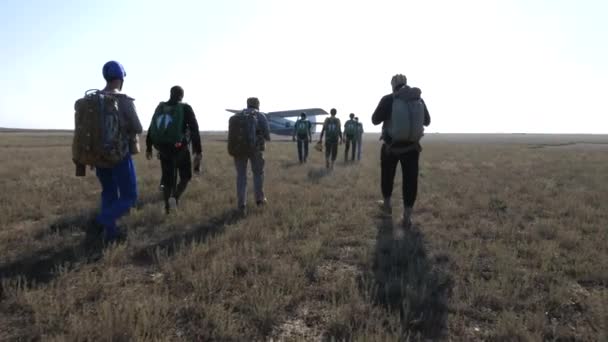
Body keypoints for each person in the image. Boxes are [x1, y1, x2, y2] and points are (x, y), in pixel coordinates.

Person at [91, 61, 143, 242]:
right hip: (119, 154)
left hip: (98, 156)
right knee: (130, 196)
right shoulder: (123, 99)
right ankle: (101, 221)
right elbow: (138, 127)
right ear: (121, 77)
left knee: (109, 193)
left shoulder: (93, 99)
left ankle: (110, 233)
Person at [371, 74, 431, 227]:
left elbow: (375, 120)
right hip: (412, 148)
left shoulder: (388, 99)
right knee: (410, 181)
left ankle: (387, 205)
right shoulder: (418, 99)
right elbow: (427, 121)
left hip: (391, 147)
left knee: (387, 176)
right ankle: (407, 216)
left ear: (393, 85)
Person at [146, 86, 202, 214]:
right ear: (182, 95)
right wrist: (198, 150)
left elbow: (151, 127)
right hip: (180, 148)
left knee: (167, 180)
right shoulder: (185, 108)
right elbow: (194, 129)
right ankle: (175, 198)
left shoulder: (161, 108)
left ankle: (167, 208)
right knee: (185, 176)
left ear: (170, 94)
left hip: (163, 148)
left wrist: (149, 147)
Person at [228, 97, 271, 215]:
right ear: (257, 105)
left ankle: (241, 204)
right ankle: (259, 200)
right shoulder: (260, 116)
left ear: (247, 104)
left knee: (241, 176)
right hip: (256, 150)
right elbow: (267, 135)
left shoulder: (238, 115)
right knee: (258, 174)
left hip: (239, 149)